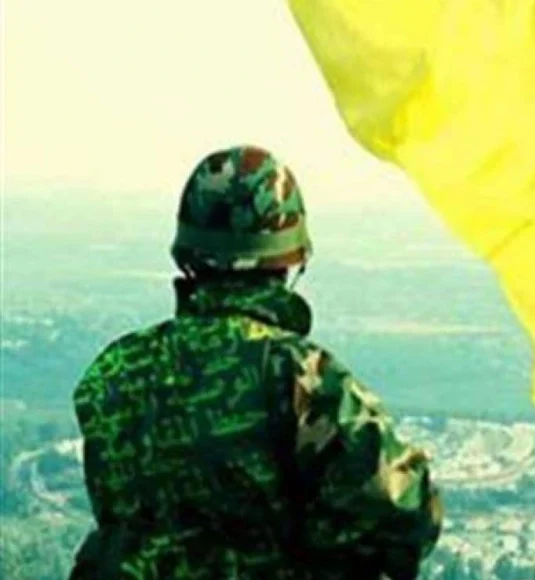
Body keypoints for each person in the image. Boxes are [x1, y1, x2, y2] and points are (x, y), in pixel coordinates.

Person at [69, 145, 443, 579]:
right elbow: (405, 512)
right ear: (291, 259)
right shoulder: (298, 373)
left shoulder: (114, 371)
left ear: (189, 255)